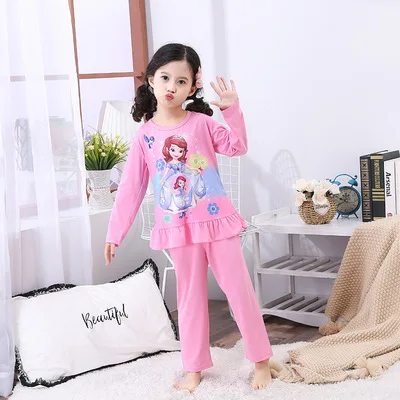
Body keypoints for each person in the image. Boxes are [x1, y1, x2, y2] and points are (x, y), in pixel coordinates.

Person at [104, 43, 273, 392]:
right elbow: (131, 188)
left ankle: (261, 361)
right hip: (178, 229)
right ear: (152, 79)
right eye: (165, 78)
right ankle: (193, 368)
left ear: (192, 86)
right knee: (189, 299)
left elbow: (238, 147)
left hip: (216, 223)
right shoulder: (145, 137)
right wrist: (115, 233)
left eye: (181, 81)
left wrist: (232, 110)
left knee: (239, 291)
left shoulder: (202, 124)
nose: (171, 87)